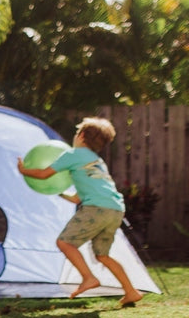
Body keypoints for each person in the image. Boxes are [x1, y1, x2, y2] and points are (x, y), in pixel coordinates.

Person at [17, 116, 144, 306]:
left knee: (64, 243)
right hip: (115, 209)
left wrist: (24, 171)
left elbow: (43, 174)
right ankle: (131, 291)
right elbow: (77, 198)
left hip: (96, 209)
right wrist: (59, 192)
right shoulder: (97, 161)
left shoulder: (73, 154)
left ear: (82, 135)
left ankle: (88, 278)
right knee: (102, 255)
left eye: (77, 133)